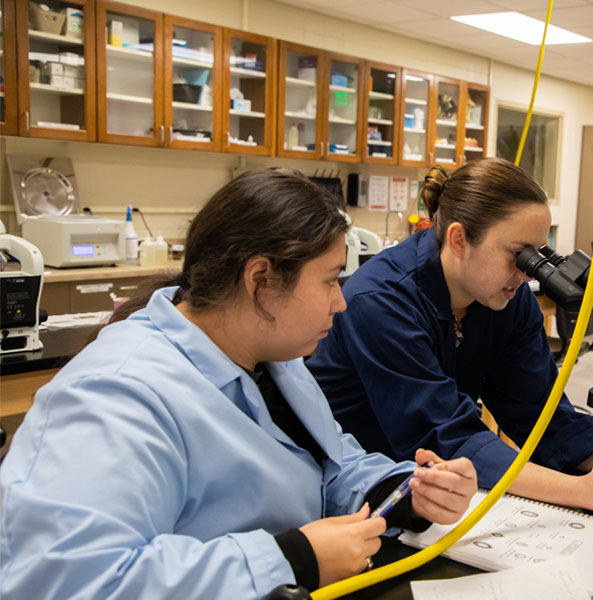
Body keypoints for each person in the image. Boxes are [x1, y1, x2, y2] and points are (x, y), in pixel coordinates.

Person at [0, 169, 477, 599]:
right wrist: (293, 559)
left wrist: (405, 492)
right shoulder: (116, 395)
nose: (342, 303)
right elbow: (65, 582)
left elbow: (328, 464)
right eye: (331, 281)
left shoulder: (272, 358)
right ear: (261, 280)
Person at [308, 157, 593, 527]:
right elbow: (446, 436)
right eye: (518, 255)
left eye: (538, 254)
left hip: (440, 491)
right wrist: (580, 491)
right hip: (356, 494)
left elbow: (538, 411)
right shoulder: (380, 300)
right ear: (459, 239)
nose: (527, 273)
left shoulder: (506, 295)